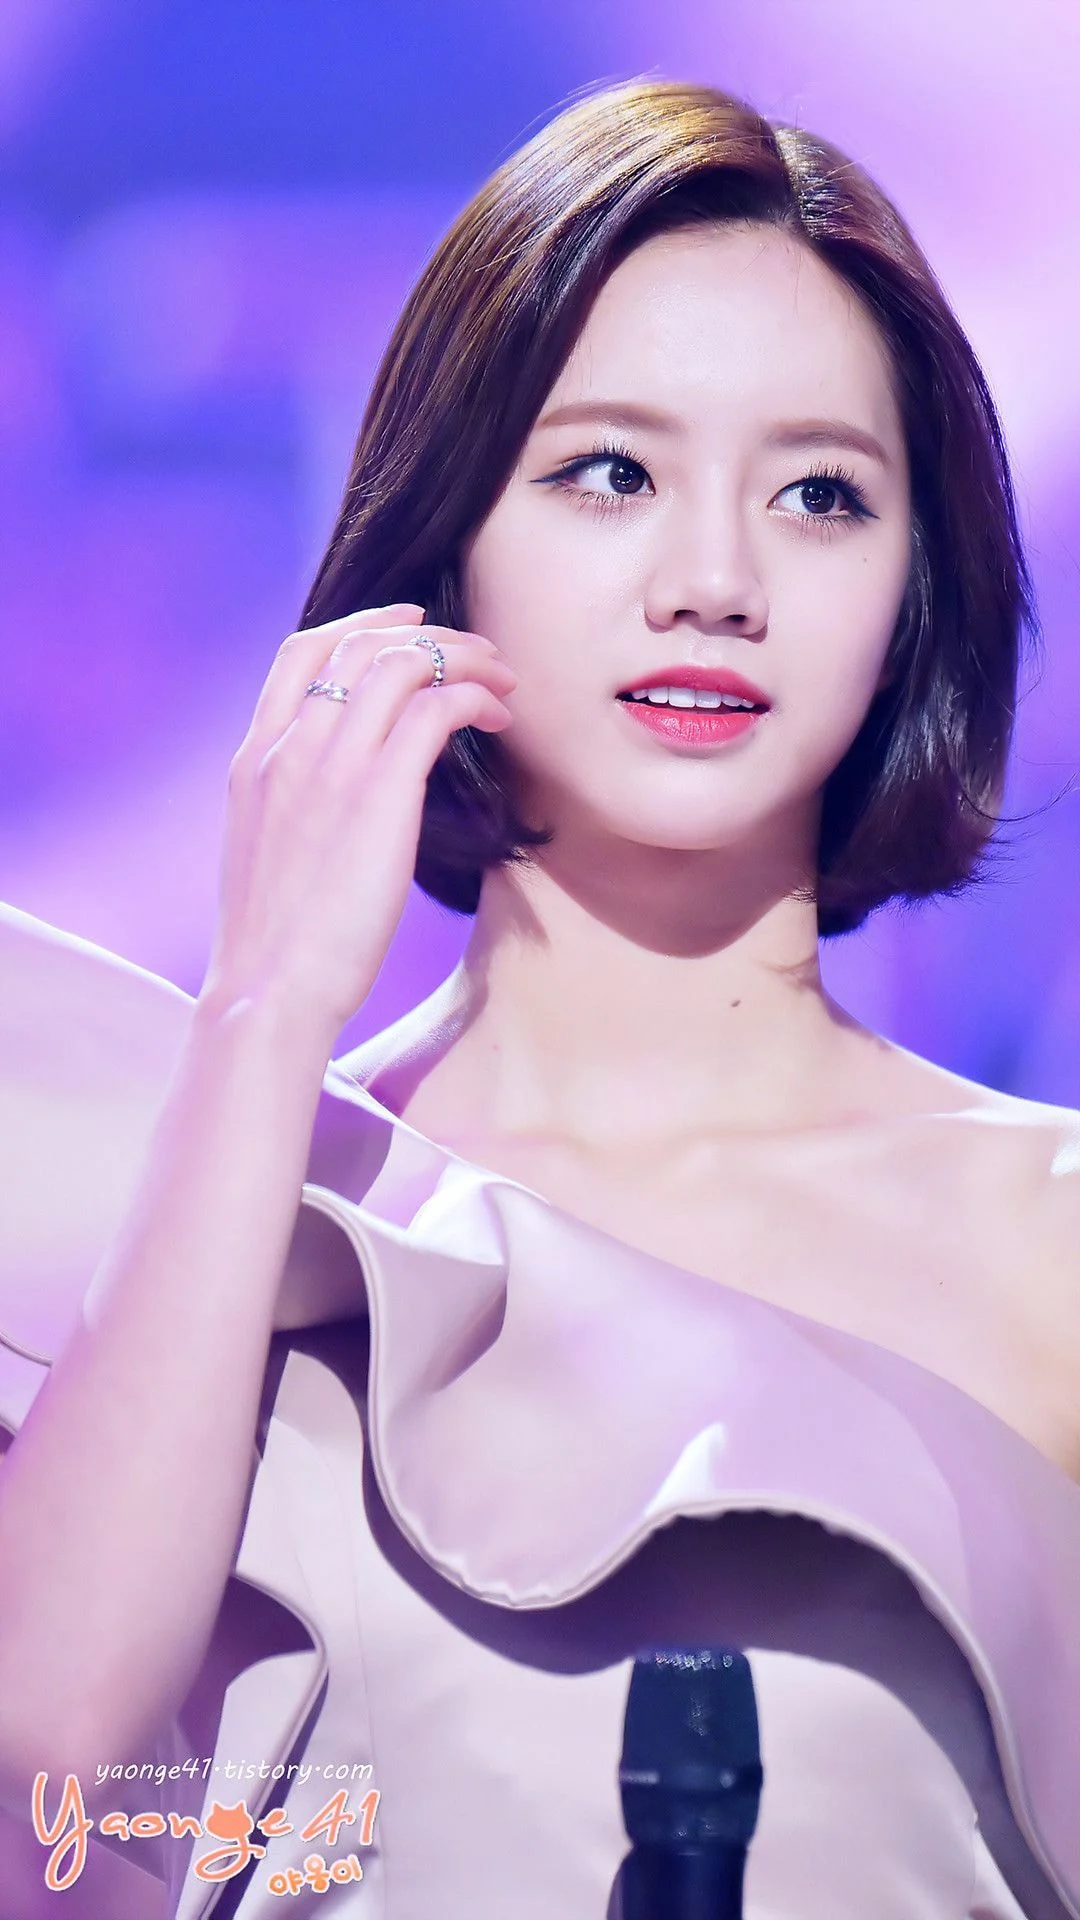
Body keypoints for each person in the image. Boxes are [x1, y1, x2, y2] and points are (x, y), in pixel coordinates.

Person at [0, 74, 1078, 1920]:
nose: (715, 581)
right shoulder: (214, 1213)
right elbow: (50, 1799)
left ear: (916, 590)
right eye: (613, 474)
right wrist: (261, 1011)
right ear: (448, 541)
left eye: (820, 494)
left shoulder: (1044, 1238)